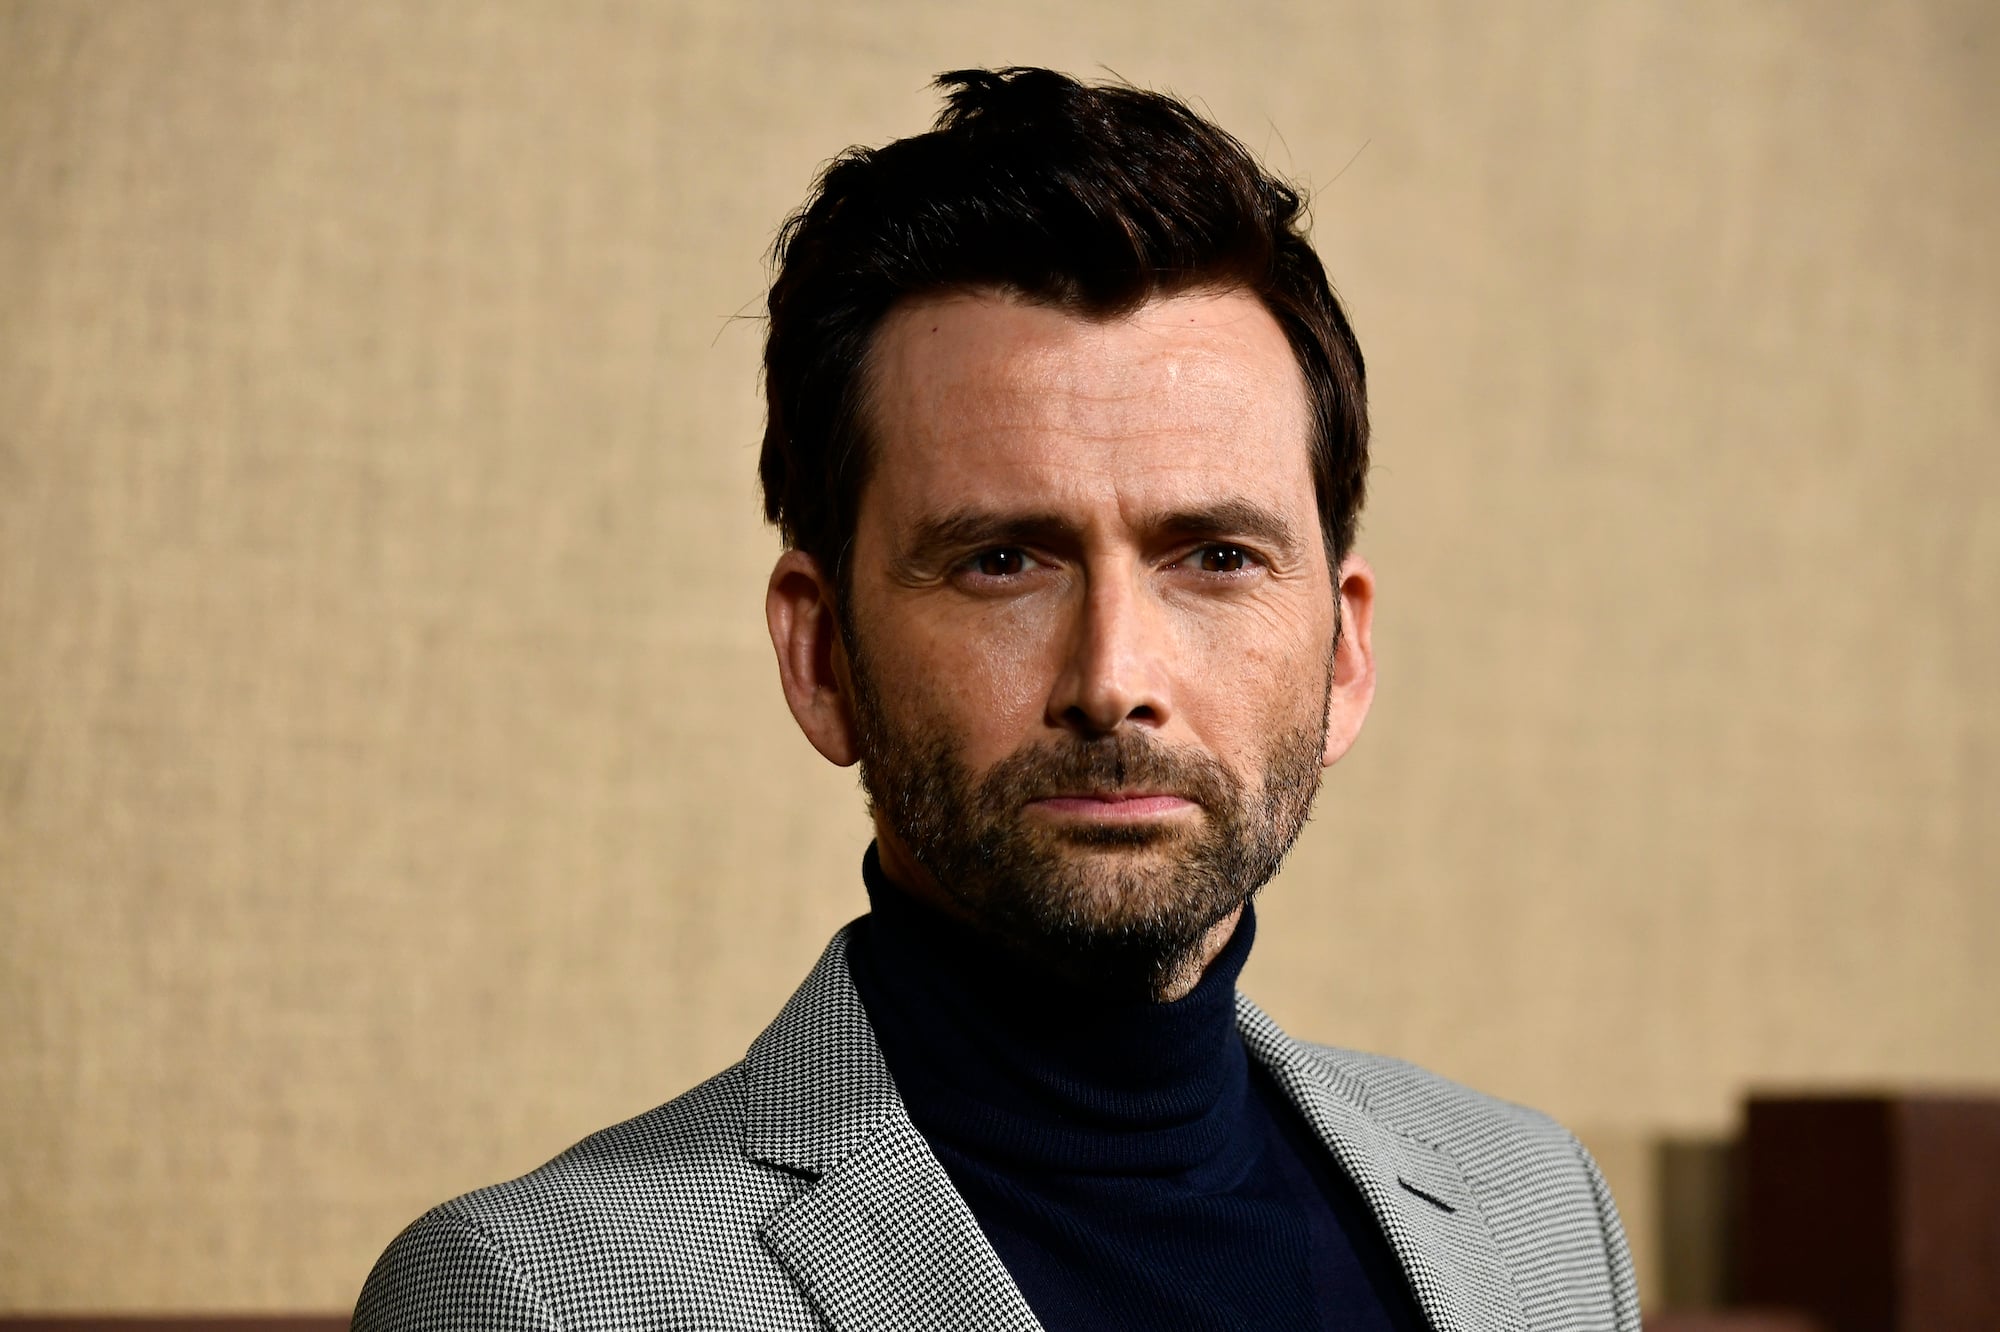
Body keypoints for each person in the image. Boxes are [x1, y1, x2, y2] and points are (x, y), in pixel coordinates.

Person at [355, 67, 1640, 1331]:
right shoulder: (531, 1298)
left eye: (1213, 557)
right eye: (1001, 562)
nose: (1114, 681)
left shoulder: (1539, 1218)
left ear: (1342, 653)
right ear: (821, 657)